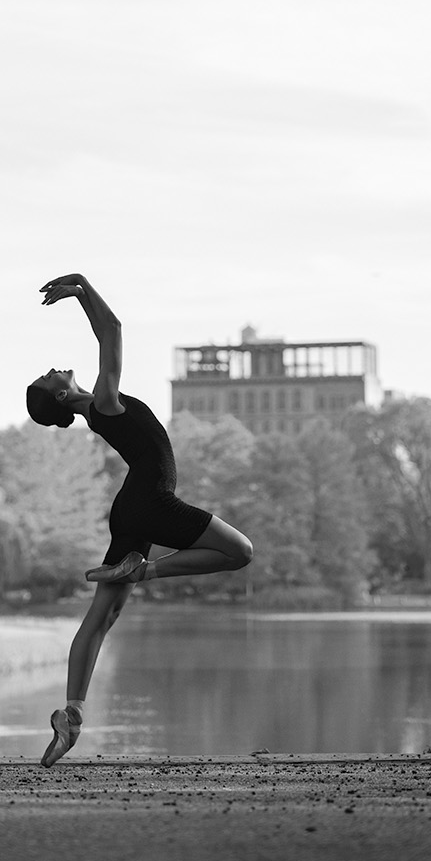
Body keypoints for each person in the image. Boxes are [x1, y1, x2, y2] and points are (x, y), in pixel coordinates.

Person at [27, 272, 253, 768]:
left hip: (131, 508)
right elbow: (112, 331)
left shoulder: (95, 410)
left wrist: (83, 293)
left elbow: (108, 333)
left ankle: (72, 716)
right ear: (61, 396)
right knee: (240, 552)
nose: (55, 370)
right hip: (149, 501)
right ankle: (144, 570)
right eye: (50, 377)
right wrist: (83, 287)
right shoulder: (104, 403)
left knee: (99, 620)